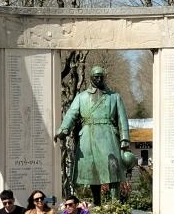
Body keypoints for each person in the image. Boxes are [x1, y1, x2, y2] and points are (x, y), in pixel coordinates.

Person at [53, 66, 130, 206]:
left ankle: (115, 204)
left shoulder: (114, 97)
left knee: (113, 168)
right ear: (91, 78)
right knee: (93, 170)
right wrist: (64, 129)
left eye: (101, 76)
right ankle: (97, 203)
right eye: (96, 76)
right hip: (88, 135)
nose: (99, 79)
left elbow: (122, 119)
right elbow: (71, 113)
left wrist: (125, 139)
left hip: (109, 134)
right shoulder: (81, 97)